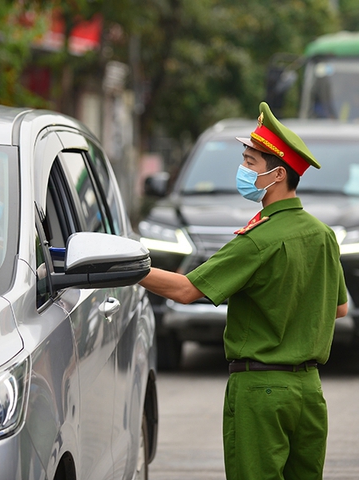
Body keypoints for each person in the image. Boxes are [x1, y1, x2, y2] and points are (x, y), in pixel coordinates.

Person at [139, 101, 348, 480]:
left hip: (260, 391)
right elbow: (339, 309)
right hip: (309, 393)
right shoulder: (323, 235)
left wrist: (131, 269)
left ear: (278, 174)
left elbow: (187, 291)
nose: (243, 170)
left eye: (250, 163)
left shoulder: (257, 240)